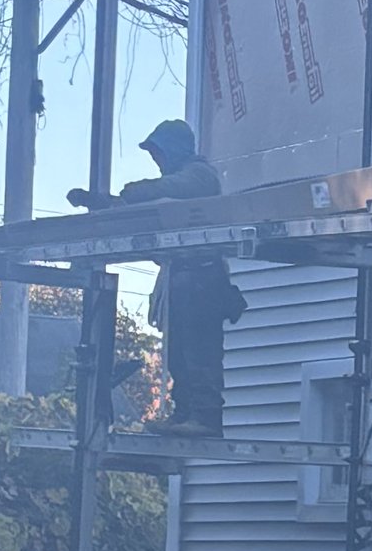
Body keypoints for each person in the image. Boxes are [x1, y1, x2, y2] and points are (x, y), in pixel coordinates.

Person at [73, 118, 247, 433]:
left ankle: (205, 417)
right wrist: (100, 203)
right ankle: (184, 414)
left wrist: (138, 191)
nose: (156, 160)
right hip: (182, 278)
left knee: (199, 350)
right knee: (179, 353)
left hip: (203, 280)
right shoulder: (177, 184)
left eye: (159, 152)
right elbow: (136, 207)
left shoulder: (200, 175)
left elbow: (169, 189)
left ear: (175, 150)